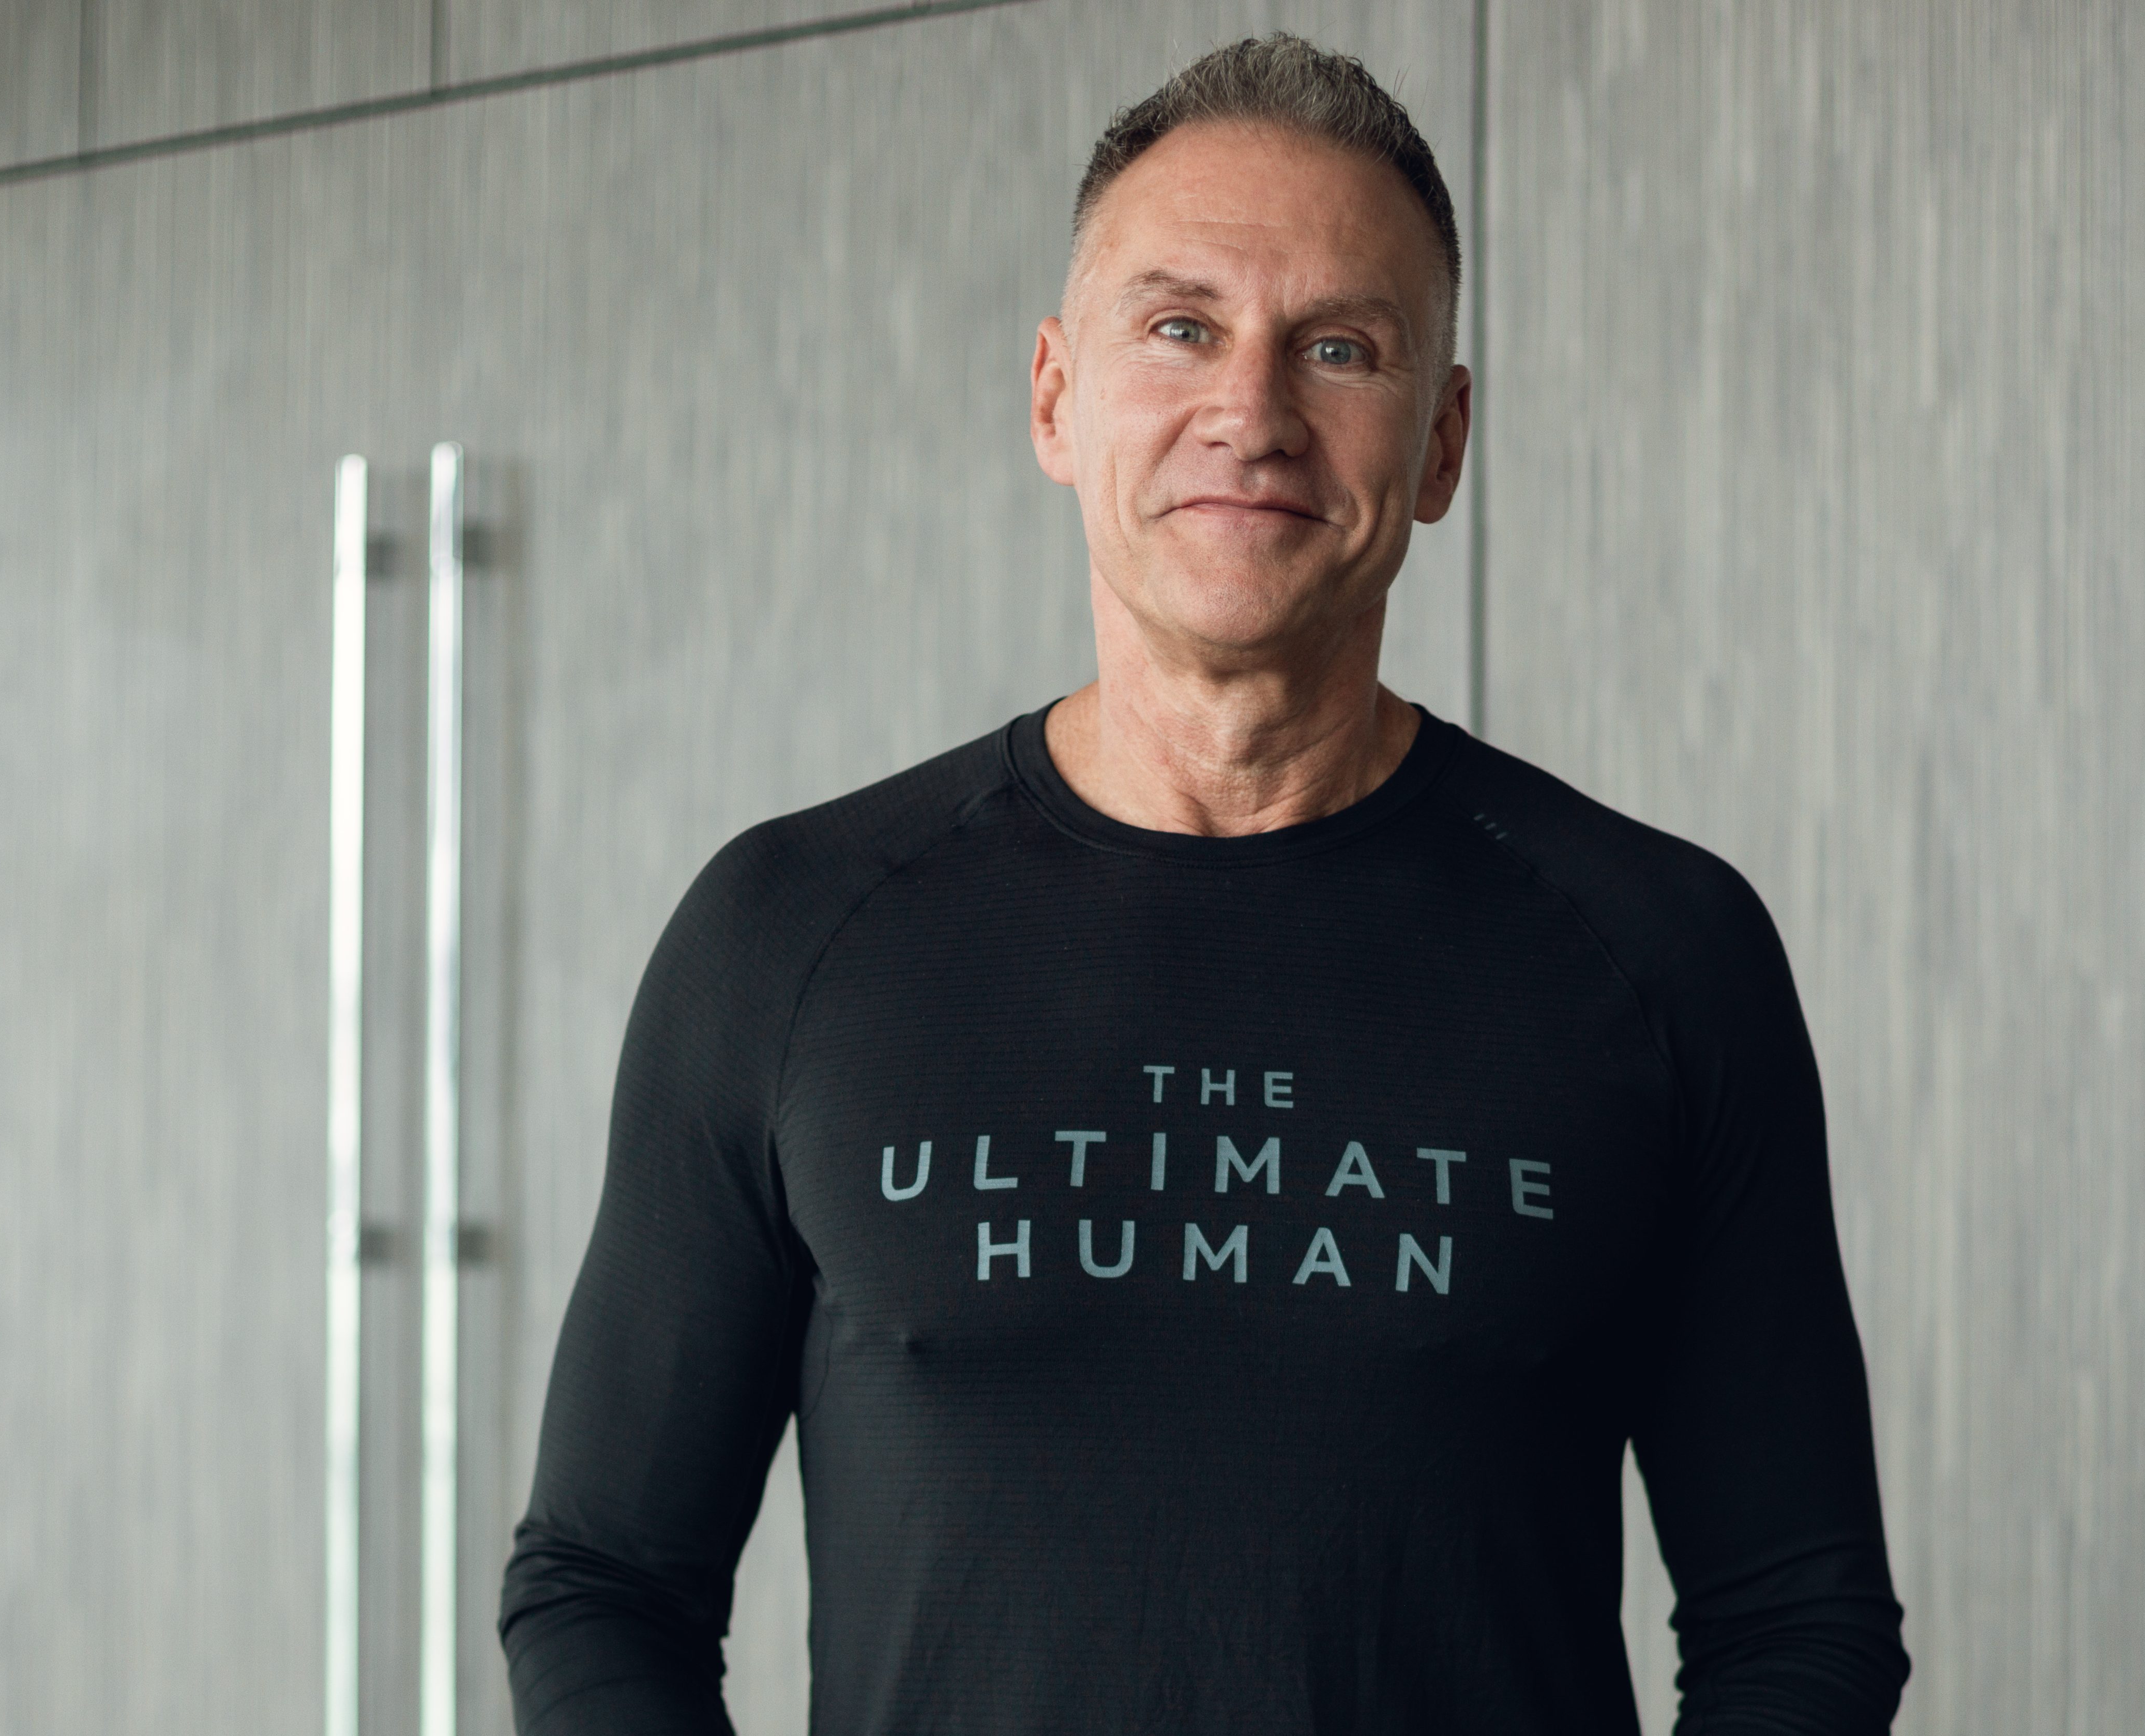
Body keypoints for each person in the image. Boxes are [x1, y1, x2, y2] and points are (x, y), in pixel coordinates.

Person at [499, 34, 1908, 1735]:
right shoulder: (787, 935)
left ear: (1442, 440)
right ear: (1052, 397)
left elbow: (1796, 1624)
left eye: (1339, 347)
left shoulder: (1661, 951)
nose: (1250, 410)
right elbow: (602, 1586)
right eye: (1178, 328)